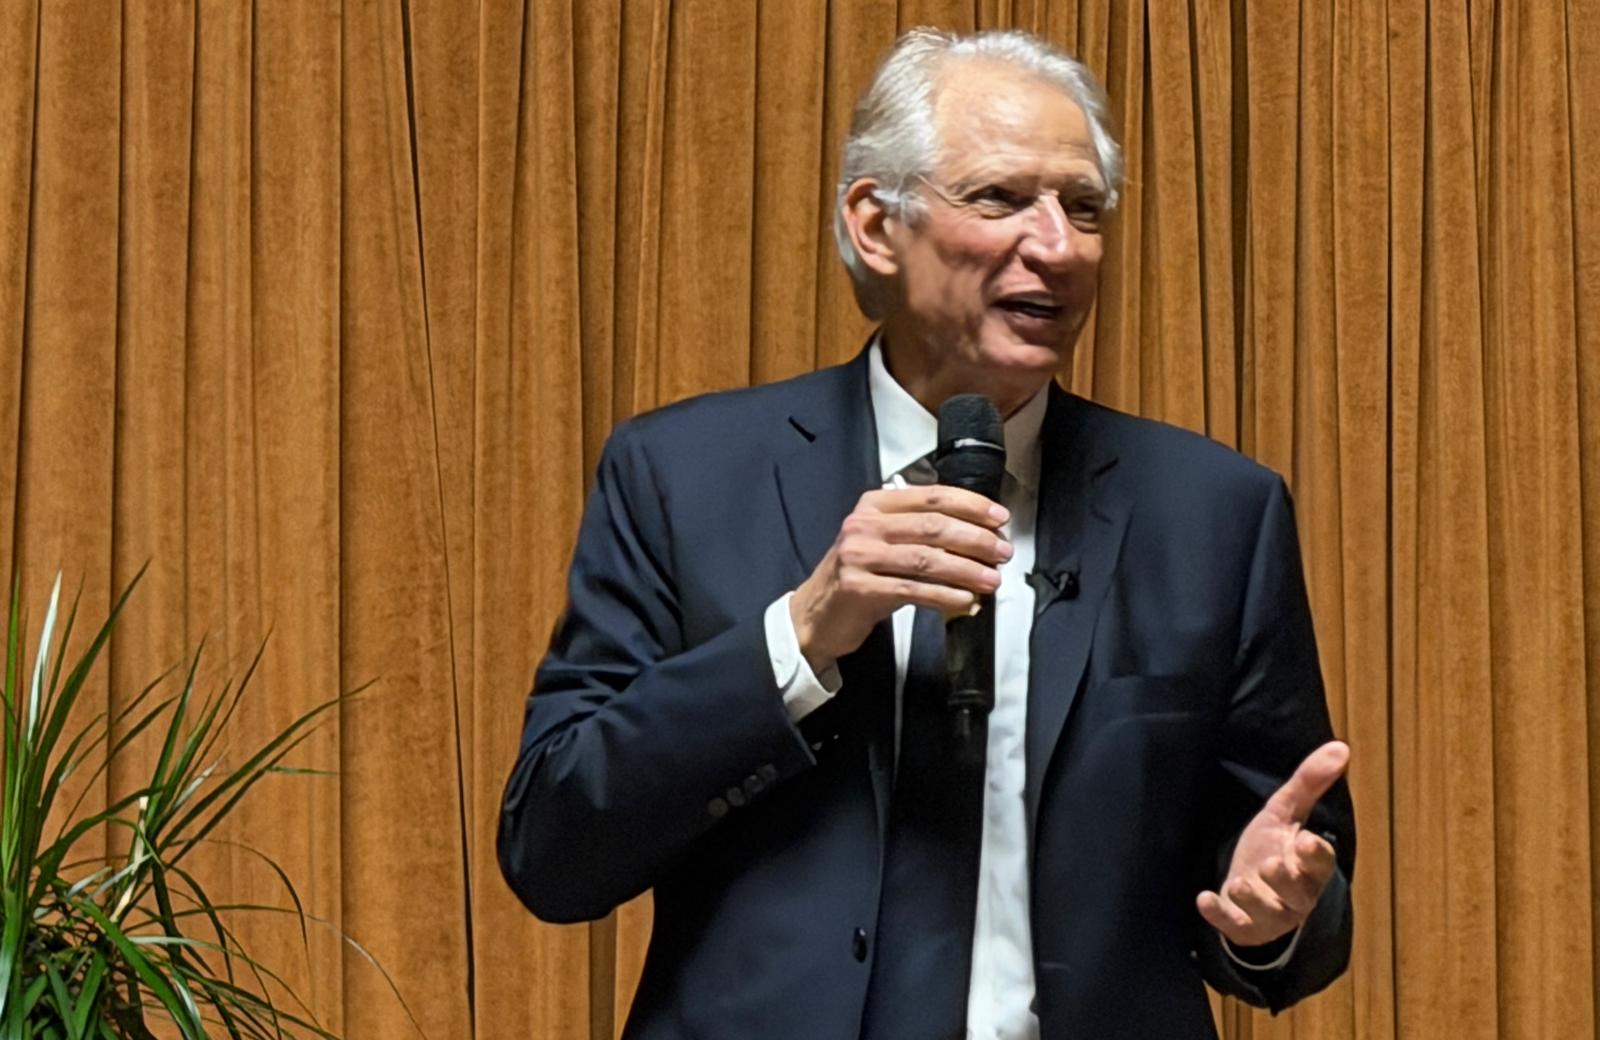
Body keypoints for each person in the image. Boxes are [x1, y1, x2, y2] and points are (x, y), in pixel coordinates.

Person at [498, 26, 1355, 1040]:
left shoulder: (1214, 512)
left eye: (1084, 208)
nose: (1058, 246)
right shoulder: (683, 477)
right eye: (1000, 197)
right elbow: (554, 846)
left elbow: (1288, 867)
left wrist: (1273, 918)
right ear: (875, 224)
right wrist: (800, 636)